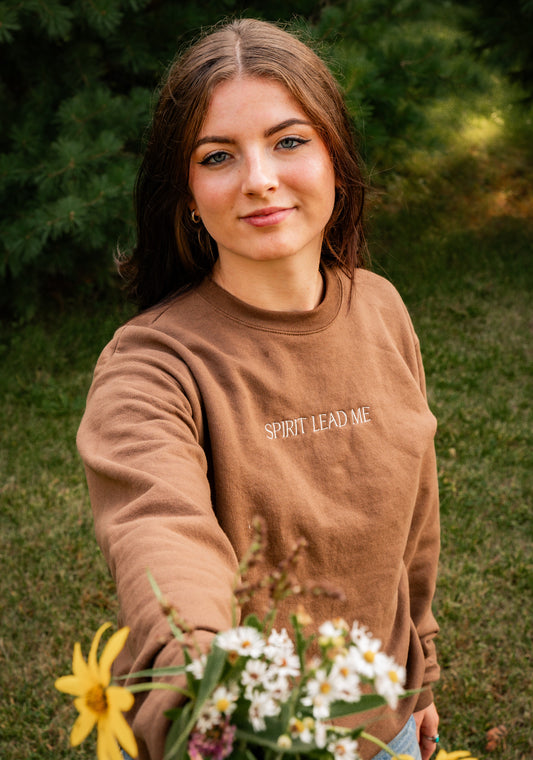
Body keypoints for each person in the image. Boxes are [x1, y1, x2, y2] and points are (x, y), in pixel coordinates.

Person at [77, 18, 440, 760]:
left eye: (288, 140)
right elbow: (160, 534)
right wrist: (205, 696)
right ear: (186, 193)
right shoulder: (149, 367)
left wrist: (420, 678)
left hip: (392, 728)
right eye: (218, 156)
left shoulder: (380, 308)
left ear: (334, 157)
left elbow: (415, 528)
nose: (259, 179)